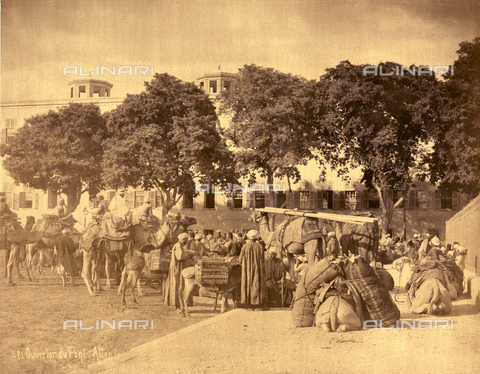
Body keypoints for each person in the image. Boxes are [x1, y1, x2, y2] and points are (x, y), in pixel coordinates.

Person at [239, 230, 268, 310]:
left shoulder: (245, 246)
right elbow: (262, 259)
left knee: (248, 283)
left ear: (249, 237)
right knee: (258, 283)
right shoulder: (260, 246)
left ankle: (249, 305)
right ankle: (258, 304)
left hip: (247, 269)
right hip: (258, 269)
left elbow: (240, 259)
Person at [164, 233, 192, 310]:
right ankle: (178, 305)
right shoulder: (178, 246)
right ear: (183, 240)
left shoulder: (178, 246)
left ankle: (179, 305)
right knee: (178, 285)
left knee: (178, 285)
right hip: (177, 268)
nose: (186, 243)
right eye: (186, 241)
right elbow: (180, 257)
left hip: (178, 267)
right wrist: (189, 255)